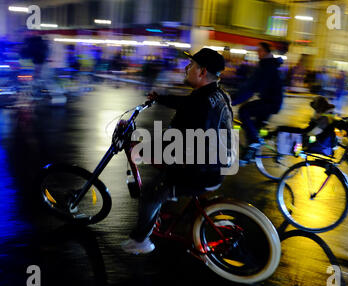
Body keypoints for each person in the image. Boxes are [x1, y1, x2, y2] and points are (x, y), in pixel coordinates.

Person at [121, 48, 233, 254]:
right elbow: (185, 104)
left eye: (191, 66)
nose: (186, 68)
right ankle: (169, 198)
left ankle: (140, 241)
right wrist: (160, 98)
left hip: (203, 172)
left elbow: (174, 140)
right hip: (218, 164)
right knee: (163, 165)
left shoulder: (199, 104)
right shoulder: (217, 94)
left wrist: (141, 147)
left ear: (201, 72)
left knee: (150, 192)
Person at [231, 42, 284, 165]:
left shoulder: (267, 67)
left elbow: (252, 87)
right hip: (271, 101)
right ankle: (251, 153)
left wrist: (234, 100)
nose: (257, 53)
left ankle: (254, 142)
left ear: (265, 52)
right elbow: (251, 84)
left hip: (270, 102)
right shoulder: (267, 65)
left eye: (259, 50)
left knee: (244, 111)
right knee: (253, 127)